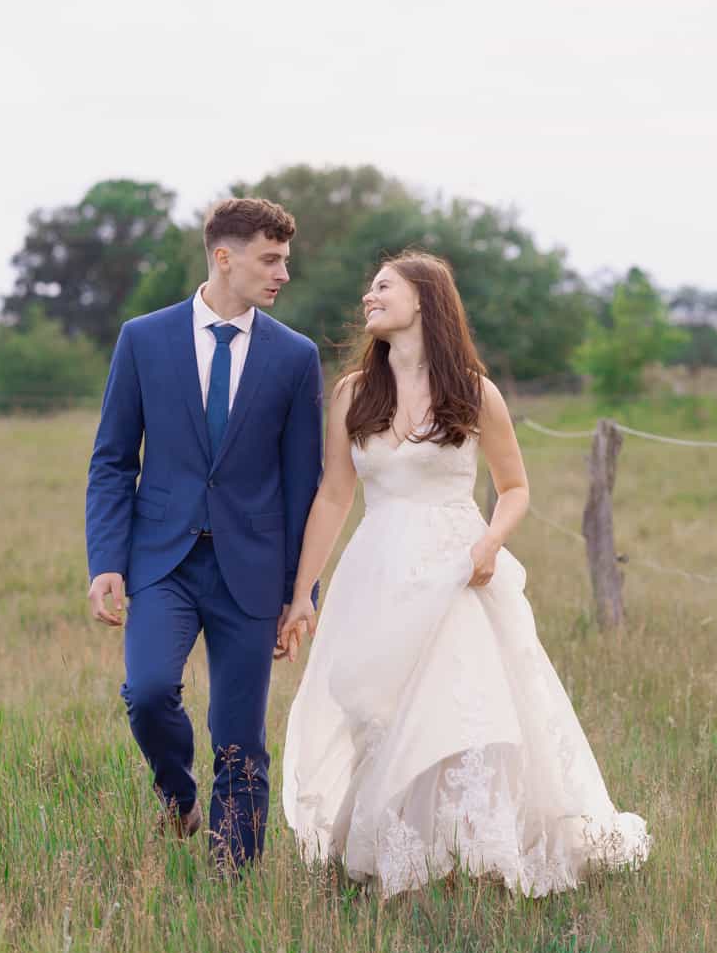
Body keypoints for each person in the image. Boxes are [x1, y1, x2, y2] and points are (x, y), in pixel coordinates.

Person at [279, 250, 650, 896]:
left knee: (458, 706)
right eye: (369, 289)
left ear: (424, 299)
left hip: (456, 570)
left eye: (383, 287)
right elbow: (335, 496)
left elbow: (514, 488)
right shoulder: (350, 395)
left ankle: (473, 851)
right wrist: (302, 594)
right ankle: (392, 843)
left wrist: (491, 541)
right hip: (377, 570)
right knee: (377, 707)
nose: (368, 297)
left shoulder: (475, 392)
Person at [85, 197, 323, 868]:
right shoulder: (143, 338)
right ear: (225, 258)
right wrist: (107, 560)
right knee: (151, 690)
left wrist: (300, 593)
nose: (282, 274)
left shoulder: (295, 357)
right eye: (270, 260)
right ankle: (176, 793)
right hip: (162, 560)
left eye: (285, 260)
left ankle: (231, 888)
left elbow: (306, 484)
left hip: (253, 571)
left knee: (238, 737)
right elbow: (111, 460)